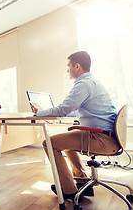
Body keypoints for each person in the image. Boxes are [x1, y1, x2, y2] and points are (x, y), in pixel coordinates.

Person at [32, 51, 119, 201]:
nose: (67, 70)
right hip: (108, 137)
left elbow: (62, 110)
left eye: (69, 66)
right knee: (65, 142)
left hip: (101, 138)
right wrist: (58, 113)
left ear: (77, 66)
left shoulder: (83, 84)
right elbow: (75, 111)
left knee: (49, 143)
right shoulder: (93, 82)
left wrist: (39, 112)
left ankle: (68, 191)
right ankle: (82, 181)